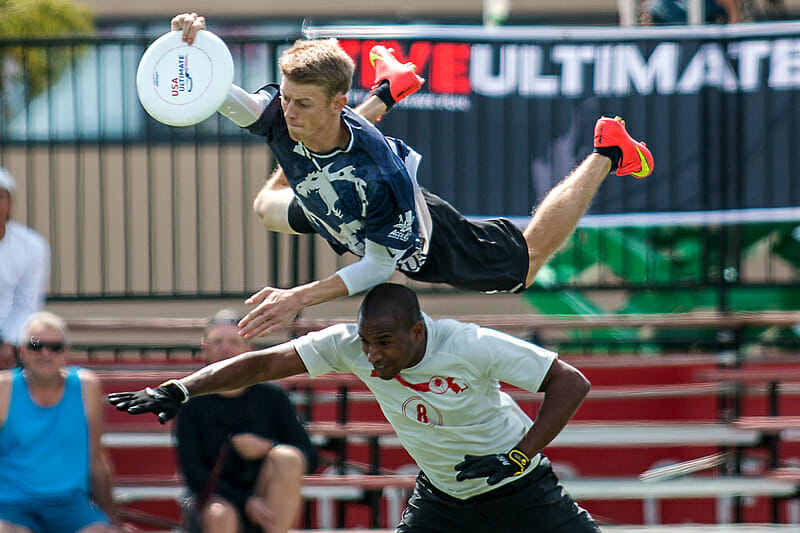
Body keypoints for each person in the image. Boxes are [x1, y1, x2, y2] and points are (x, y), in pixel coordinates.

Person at [173, 14, 654, 341]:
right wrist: (190, 45)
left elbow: (379, 268)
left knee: (524, 266)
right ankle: (390, 88)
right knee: (265, 207)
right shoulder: (280, 108)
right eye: (287, 99)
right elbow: (221, 94)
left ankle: (607, 150)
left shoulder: (382, 180)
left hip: (412, 233)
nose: (289, 113)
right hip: (333, 202)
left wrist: (298, 298)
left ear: (339, 103)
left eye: (303, 105)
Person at [110, 283, 600, 532]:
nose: (372, 356)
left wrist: (518, 454)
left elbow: (569, 382)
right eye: (366, 344)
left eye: (384, 343)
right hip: (443, 500)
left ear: (418, 332)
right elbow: (264, 364)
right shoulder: (352, 344)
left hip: (518, 488)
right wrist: (181, 388)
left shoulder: (471, 344)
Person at [176, 309, 319, 533]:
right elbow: (193, 472)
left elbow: (309, 457)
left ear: (248, 348)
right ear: (205, 347)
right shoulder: (191, 400)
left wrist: (267, 447)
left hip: (268, 495)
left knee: (288, 457)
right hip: (217, 498)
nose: (226, 348)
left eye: (234, 341)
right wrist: (245, 501)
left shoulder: (272, 395)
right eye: (218, 341)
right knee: (220, 514)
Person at [0, 311, 126, 533]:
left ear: (66, 351)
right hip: (10, 504)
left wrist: (112, 520)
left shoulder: (86, 386)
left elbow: (96, 460)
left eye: (55, 346)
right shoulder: (4, 388)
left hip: (70, 505)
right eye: (36, 345)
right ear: (22, 350)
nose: (45, 353)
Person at [0, 168, 51, 370]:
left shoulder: (32, 245)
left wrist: (9, 343)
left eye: (0, 196)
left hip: (15, 341)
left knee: (41, 344)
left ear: (10, 203)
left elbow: (28, 303)